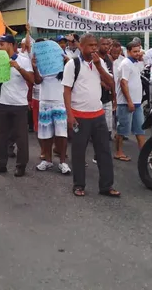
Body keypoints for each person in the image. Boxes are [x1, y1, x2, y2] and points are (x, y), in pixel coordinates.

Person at [62, 33, 120, 198]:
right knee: (79, 153)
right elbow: (66, 91)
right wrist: (69, 115)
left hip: (98, 115)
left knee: (104, 152)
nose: (94, 48)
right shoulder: (72, 65)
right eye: (91, 45)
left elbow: (110, 84)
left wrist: (99, 66)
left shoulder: (99, 62)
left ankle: (106, 186)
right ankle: (79, 185)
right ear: (81, 46)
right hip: (79, 116)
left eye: (96, 45)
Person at [0, 35, 34, 177]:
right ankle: (1, 164)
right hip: (1, 104)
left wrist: (18, 68)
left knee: (21, 138)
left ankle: (21, 166)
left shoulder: (23, 60)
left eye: (2, 44)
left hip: (19, 105)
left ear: (11, 45)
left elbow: (32, 79)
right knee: (0, 137)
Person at [33, 40, 71, 175]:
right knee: (45, 134)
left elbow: (72, 78)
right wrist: (35, 67)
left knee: (62, 134)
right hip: (44, 101)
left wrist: (67, 62)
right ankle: (48, 161)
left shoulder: (66, 63)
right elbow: (37, 81)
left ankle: (62, 162)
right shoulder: (41, 64)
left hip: (60, 101)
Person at [115, 41, 145, 162]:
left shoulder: (136, 63)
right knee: (122, 129)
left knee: (140, 129)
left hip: (137, 103)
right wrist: (129, 101)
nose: (137, 53)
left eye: (138, 51)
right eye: (135, 51)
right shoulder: (126, 64)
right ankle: (118, 152)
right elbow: (123, 83)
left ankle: (144, 153)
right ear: (128, 52)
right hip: (126, 103)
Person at [97, 37, 116, 139]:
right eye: (103, 44)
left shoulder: (109, 58)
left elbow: (112, 76)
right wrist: (103, 83)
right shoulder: (94, 58)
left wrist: (114, 96)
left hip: (107, 96)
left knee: (108, 123)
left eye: (107, 44)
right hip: (96, 95)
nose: (106, 46)